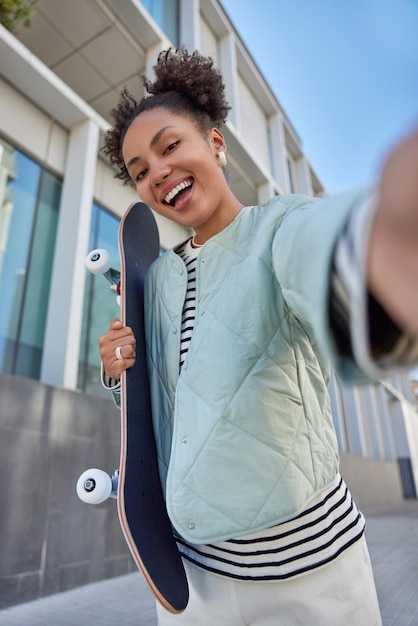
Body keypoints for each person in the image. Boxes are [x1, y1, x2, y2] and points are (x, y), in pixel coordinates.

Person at [99, 47, 418, 625]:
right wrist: (122, 375)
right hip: (193, 582)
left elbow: (319, 250)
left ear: (216, 144)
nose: (157, 173)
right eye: (140, 171)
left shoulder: (279, 228)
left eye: (170, 147)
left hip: (310, 577)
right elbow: (168, 413)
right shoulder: (160, 279)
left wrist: (378, 244)